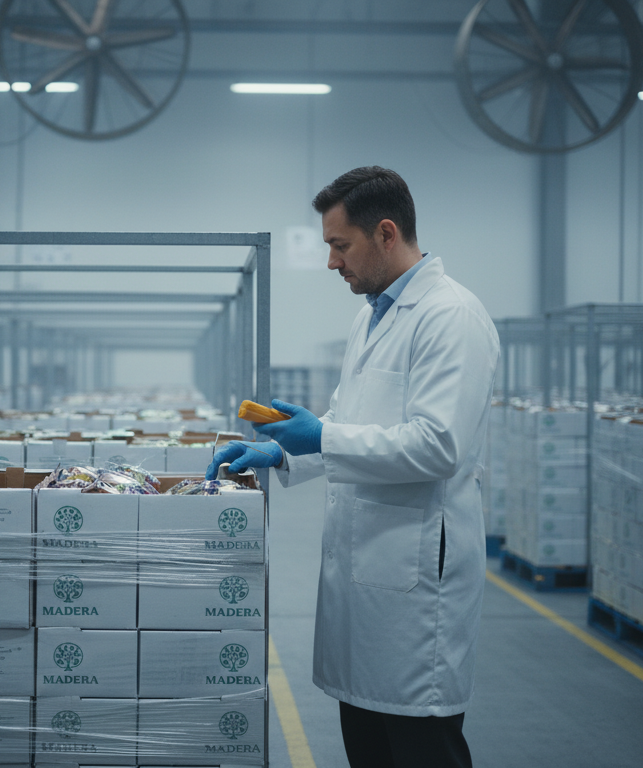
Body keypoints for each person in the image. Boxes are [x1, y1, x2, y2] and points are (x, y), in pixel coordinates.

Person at [207, 166, 499, 768]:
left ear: (386, 233)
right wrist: (285, 450)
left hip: (416, 591)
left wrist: (325, 435)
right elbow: (349, 423)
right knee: (368, 745)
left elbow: (437, 445)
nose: (332, 263)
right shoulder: (371, 317)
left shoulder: (451, 317)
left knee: (421, 748)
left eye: (340, 246)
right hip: (367, 587)